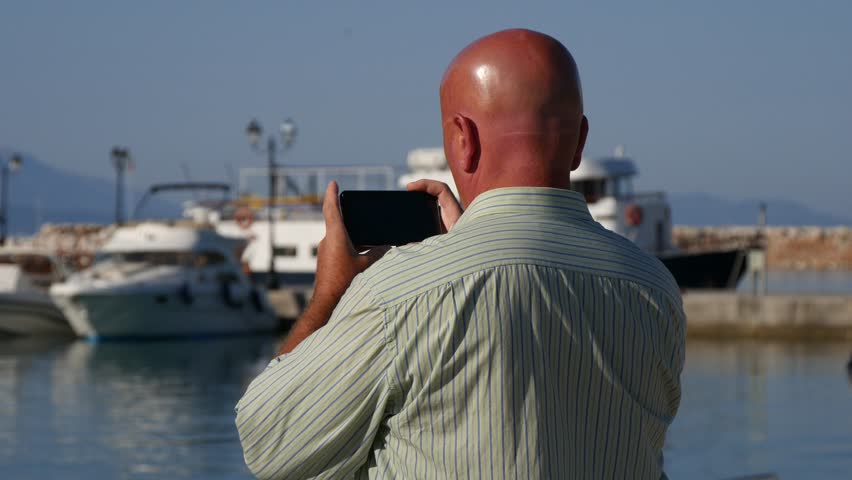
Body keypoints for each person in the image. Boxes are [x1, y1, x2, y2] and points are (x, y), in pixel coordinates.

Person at [236, 28, 685, 479]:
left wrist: (329, 295)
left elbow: (268, 445)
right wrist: (465, 239)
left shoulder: (398, 293)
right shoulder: (655, 288)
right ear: (580, 140)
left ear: (463, 138)